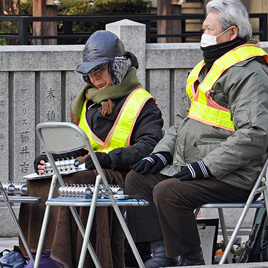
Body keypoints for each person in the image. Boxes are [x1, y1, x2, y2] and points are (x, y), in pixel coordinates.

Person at [125, 0, 268, 267]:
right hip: (194, 165)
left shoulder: (251, 73)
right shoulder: (209, 71)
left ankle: (191, 261)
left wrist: (206, 167)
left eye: (207, 28)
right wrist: (160, 154)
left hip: (234, 174)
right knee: (138, 179)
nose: (202, 34)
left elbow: (256, 134)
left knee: (168, 192)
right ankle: (162, 254)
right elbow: (183, 122)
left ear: (232, 33)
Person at [18, 30, 163, 268]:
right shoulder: (88, 103)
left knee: (77, 181)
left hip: (123, 173)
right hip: (93, 169)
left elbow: (148, 147)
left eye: (100, 70)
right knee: (40, 181)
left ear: (117, 68)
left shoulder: (143, 103)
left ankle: (69, 259)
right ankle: (37, 255)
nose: (95, 78)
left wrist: (105, 159)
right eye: (90, 73)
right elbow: (78, 149)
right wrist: (51, 159)